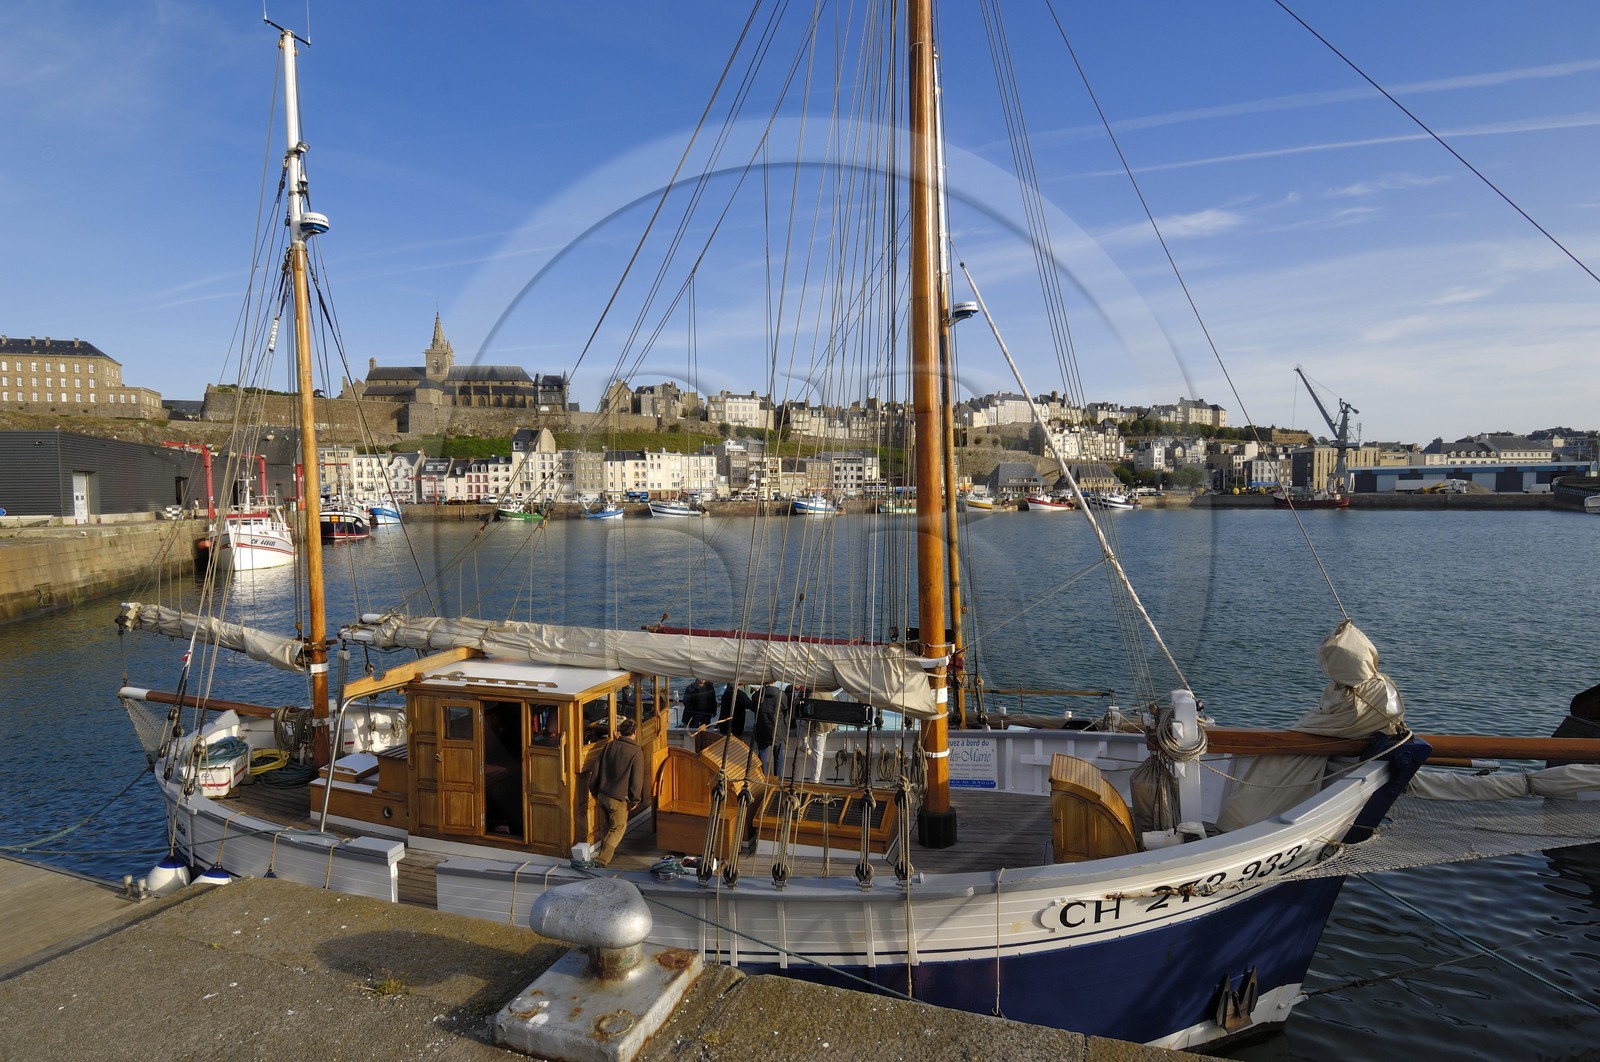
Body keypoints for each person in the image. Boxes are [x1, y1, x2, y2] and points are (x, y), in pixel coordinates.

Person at [588, 717, 646, 867]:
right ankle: (602, 860)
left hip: (602, 794)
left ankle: (606, 854)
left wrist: (593, 790)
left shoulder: (609, 746)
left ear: (621, 732)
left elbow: (596, 770)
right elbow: (636, 780)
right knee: (618, 828)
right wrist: (635, 801)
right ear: (634, 732)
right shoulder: (636, 752)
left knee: (606, 827)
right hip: (618, 799)